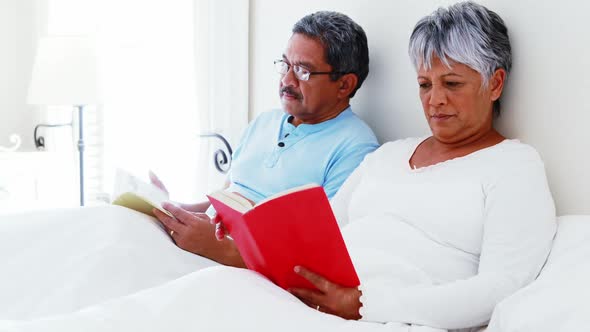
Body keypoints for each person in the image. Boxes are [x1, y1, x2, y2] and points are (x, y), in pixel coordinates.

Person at [0, 3, 556, 331]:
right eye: (425, 84)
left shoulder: (513, 167)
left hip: (364, 309)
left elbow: (500, 288)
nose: (434, 100)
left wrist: (364, 304)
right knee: (162, 308)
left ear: (496, 83)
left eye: (452, 84)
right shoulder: (390, 156)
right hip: (298, 292)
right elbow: (315, 228)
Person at [150, 11, 378, 267]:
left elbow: (318, 258)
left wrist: (222, 251)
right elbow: (225, 199)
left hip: (241, 273)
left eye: (303, 71)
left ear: (344, 85)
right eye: (285, 65)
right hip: (202, 251)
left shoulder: (356, 149)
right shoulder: (264, 122)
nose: (286, 80)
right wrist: (171, 209)